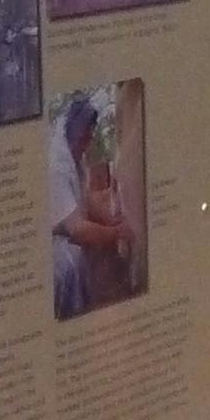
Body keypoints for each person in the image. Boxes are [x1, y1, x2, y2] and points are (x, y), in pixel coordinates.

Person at [51, 95, 133, 319]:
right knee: (72, 262)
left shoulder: (76, 155)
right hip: (49, 242)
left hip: (65, 233)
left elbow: (85, 199)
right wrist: (117, 233)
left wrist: (111, 219)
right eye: (84, 136)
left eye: (90, 137)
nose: (87, 143)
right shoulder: (57, 166)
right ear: (75, 131)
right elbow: (77, 228)